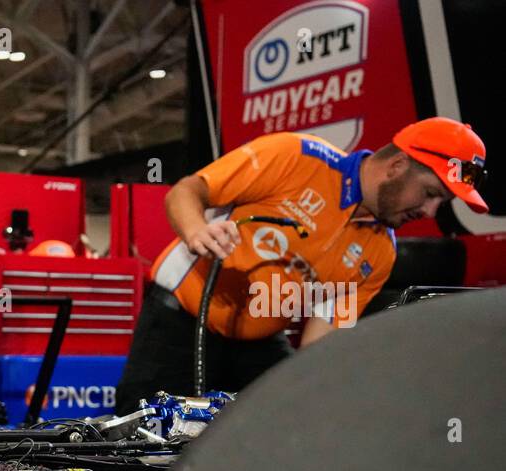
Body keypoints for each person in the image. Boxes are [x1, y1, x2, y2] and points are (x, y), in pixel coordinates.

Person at [114, 117, 489, 414]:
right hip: (182, 321)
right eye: (430, 194)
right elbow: (186, 191)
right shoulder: (294, 157)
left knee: (284, 429)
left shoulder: (379, 254)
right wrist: (197, 231)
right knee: (143, 443)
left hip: (259, 342)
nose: (428, 212)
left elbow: (320, 342)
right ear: (398, 165)